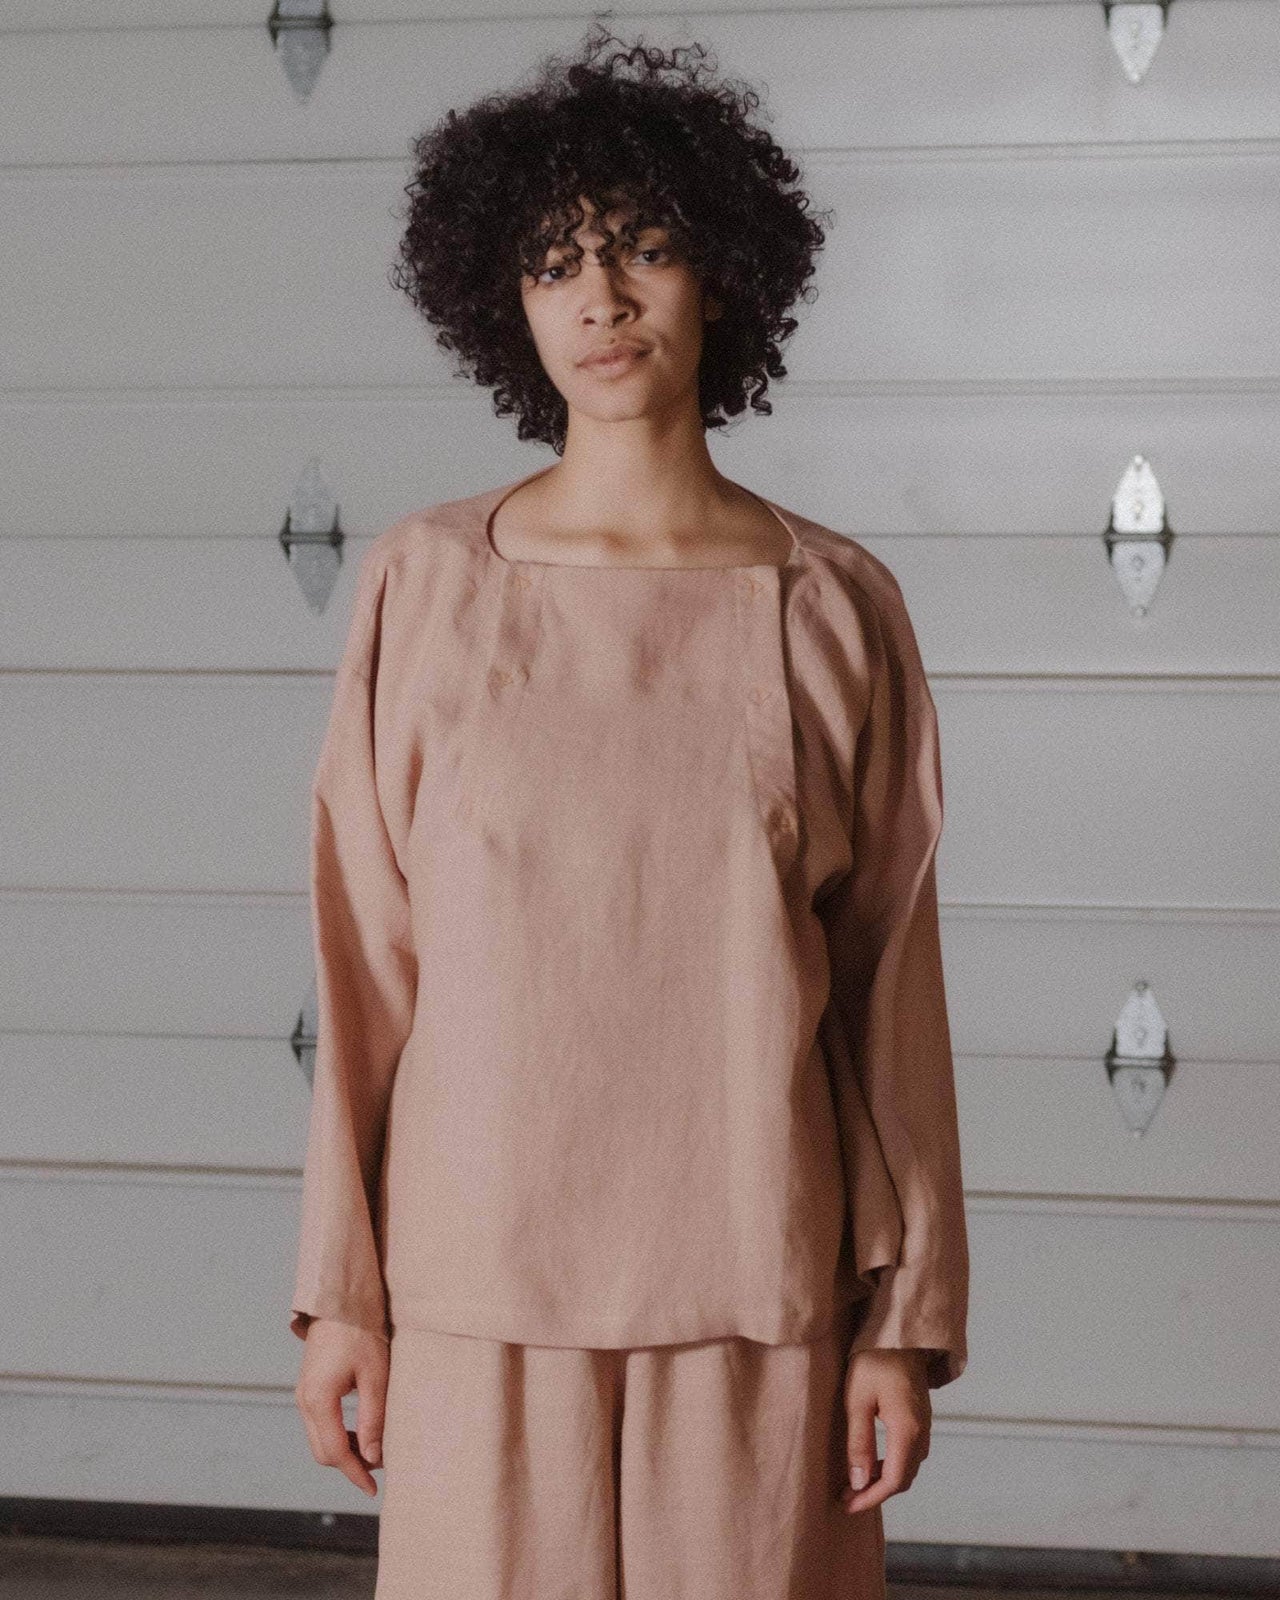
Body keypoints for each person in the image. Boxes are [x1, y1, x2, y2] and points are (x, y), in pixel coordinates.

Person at [290, 24, 968, 1600]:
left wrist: (902, 1322)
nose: (598, 299)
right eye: (553, 262)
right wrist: (343, 1296)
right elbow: (365, 966)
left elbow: (888, 991)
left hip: (760, 1293)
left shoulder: (835, 606)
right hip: (473, 1291)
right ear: (506, 302)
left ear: (721, 273)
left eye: (643, 247)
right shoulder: (421, 587)